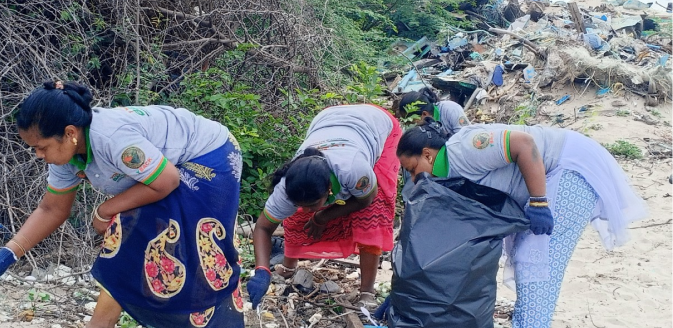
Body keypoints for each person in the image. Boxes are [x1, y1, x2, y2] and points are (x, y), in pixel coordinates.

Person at [0, 81, 245, 328]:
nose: (38, 155)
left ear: (70, 132)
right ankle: (103, 322)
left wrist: (105, 209)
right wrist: (7, 255)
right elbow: (52, 209)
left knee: (171, 240)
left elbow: (166, 181)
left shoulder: (112, 139)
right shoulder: (67, 156)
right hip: (169, 171)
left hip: (210, 156)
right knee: (131, 231)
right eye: (33, 149)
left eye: (42, 147)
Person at [396, 118, 647, 328]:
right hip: (547, 179)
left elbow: (523, 144)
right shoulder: (448, 173)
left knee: (536, 259)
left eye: (413, 169)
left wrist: (539, 202)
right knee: (525, 258)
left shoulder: (463, 150)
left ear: (427, 154)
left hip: (568, 169)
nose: (415, 179)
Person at [247, 104, 402, 309]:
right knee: (295, 216)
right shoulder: (287, 186)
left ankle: (367, 291)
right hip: (328, 119)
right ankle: (289, 265)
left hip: (378, 125)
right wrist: (261, 270)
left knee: (371, 216)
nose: (308, 209)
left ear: (330, 188)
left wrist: (322, 217)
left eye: (313, 205)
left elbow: (366, 199)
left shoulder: (353, 170)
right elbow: (263, 227)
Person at [396, 87, 469, 135]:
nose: (408, 126)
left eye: (410, 122)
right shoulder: (410, 128)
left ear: (424, 114)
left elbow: (465, 136)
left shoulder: (450, 109)